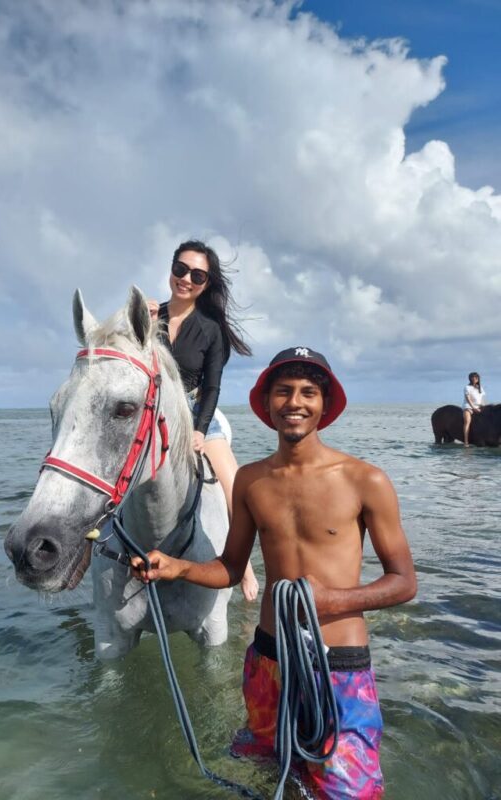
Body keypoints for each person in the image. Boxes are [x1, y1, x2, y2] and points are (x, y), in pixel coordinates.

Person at [132, 346, 417, 799]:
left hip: (338, 666)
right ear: (267, 403)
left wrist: (333, 600)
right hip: (268, 659)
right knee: (269, 773)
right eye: (283, 391)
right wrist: (178, 567)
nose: (294, 402)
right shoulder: (251, 480)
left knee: (348, 789)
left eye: (308, 392)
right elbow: (231, 567)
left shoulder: (366, 480)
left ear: (325, 404)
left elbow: (404, 582)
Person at [147, 240, 259, 602]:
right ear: (171, 269)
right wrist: (144, 326)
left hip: (196, 411)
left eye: (197, 275)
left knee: (235, 488)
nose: (186, 279)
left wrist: (199, 430)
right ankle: (86, 549)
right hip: (152, 411)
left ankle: (242, 565)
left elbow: (212, 387)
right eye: (181, 269)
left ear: (206, 284)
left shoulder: (211, 329)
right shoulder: (149, 317)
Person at [463, 371, 485, 447]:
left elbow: (482, 399)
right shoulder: (467, 387)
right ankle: (466, 442)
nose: (474, 378)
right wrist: (473, 408)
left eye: (476, 377)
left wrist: (484, 407)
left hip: (478, 407)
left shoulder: (480, 388)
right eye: (472, 377)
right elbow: (468, 399)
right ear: (470, 379)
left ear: (478, 378)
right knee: (467, 422)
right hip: (468, 407)